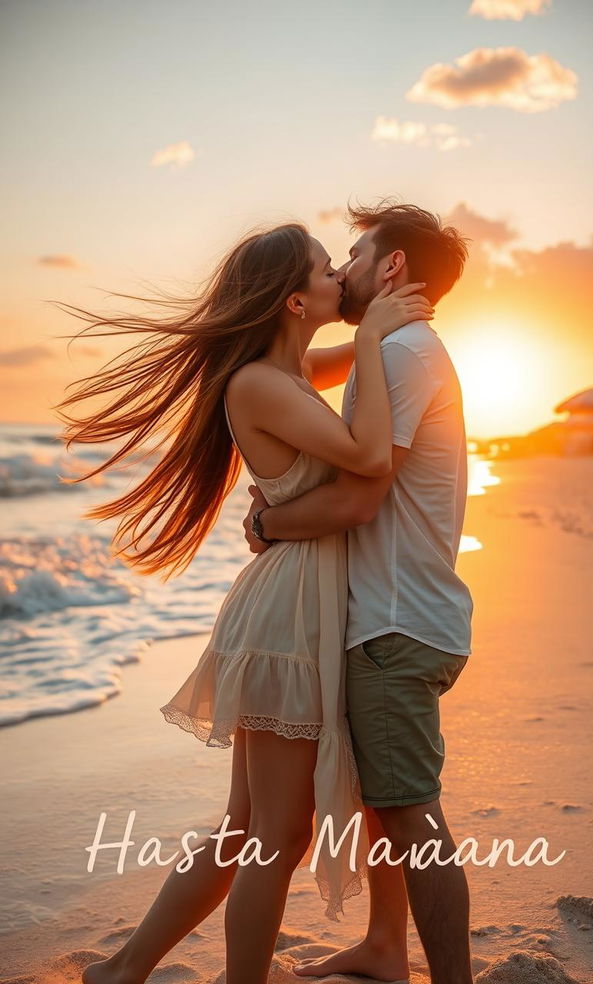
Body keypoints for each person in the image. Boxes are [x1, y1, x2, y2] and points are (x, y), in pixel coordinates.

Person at [53, 221, 432, 984]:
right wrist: (374, 336)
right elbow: (363, 455)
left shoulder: (288, 372)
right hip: (288, 616)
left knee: (244, 829)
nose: (341, 278)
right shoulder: (260, 382)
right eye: (328, 270)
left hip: (291, 603)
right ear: (295, 301)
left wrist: (382, 325)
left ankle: (124, 969)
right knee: (277, 834)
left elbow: (360, 367)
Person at [243, 201, 474, 984]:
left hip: (397, 621)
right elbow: (287, 378)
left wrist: (272, 522)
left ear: (393, 268)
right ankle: (383, 945)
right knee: (387, 801)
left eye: (353, 254)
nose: (341, 270)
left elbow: (358, 498)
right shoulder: (395, 347)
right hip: (398, 616)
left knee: (410, 812)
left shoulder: (404, 354)